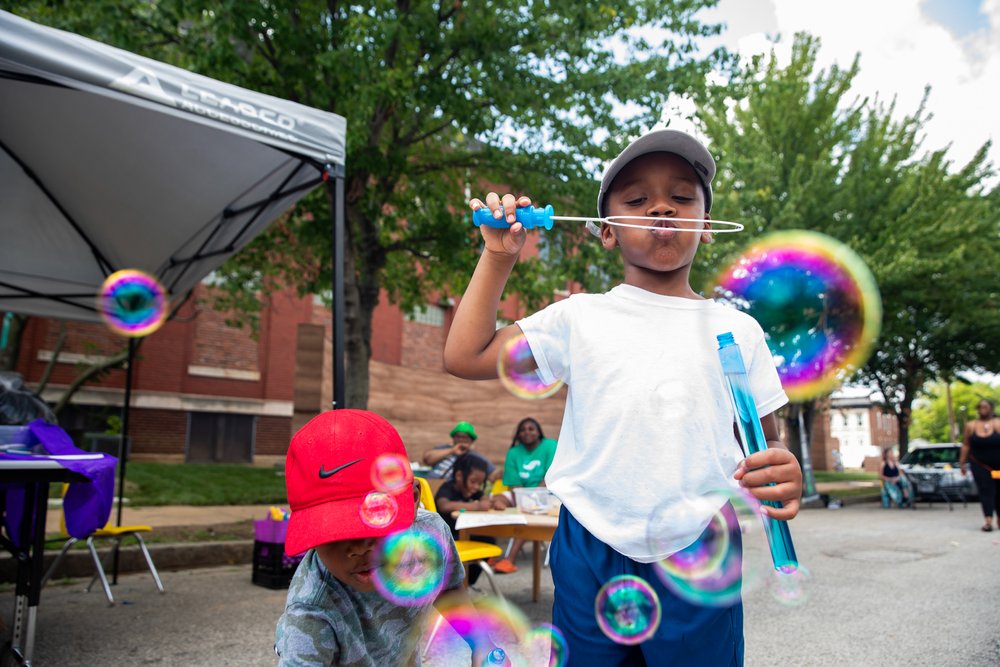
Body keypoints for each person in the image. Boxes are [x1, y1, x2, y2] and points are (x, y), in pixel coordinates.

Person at [443, 127, 803, 665]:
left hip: (700, 539)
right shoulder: (580, 316)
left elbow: (760, 447)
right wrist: (498, 257)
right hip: (590, 538)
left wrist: (780, 474)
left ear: (706, 225)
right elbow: (465, 356)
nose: (661, 207)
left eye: (682, 197)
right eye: (637, 199)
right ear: (608, 231)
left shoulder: (737, 330)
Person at [274, 409, 502, 666]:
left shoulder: (430, 535)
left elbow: (447, 588)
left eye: (373, 519)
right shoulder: (310, 615)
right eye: (333, 531)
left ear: (414, 499)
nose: (358, 548)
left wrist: (481, 644)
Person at [489, 417, 558, 574]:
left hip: (548, 495)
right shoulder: (513, 452)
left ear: (539, 432)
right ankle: (489, 552)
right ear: (518, 435)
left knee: (527, 512)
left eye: (531, 429)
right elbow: (514, 483)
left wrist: (531, 499)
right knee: (494, 501)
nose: (526, 432)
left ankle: (510, 559)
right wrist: (525, 498)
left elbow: (549, 477)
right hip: (521, 494)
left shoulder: (550, 446)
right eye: (522, 430)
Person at [433, 454, 495, 586]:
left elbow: (484, 498)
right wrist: (476, 506)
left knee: (489, 539)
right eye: (473, 482)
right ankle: (457, 583)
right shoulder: (449, 488)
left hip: (463, 534)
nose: (476, 487)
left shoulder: (471, 491)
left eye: (480, 483)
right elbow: (444, 505)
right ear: (459, 476)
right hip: (445, 538)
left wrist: (485, 501)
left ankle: (467, 582)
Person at [960, 398, 1000, 532]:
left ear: (991, 408)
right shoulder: (971, 425)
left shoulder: (998, 423)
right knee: (985, 491)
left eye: (985, 407)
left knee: (998, 491)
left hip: (997, 466)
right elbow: (966, 445)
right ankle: (988, 520)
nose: (983, 409)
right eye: (980, 407)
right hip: (980, 465)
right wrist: (962, 463)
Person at [422, 421, 498, 481]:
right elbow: (427, 459)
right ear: (453, 438)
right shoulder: (443, 448)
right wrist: (452, 451)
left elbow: (492, 475)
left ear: (471, 440)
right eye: (458, 437)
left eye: (465, 438)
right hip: (432, 483)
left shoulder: (476, 457)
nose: (461, 440)